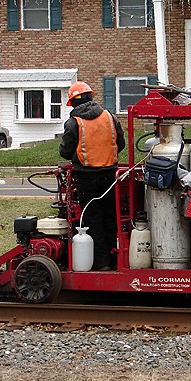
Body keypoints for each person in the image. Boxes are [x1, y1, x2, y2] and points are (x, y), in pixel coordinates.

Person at [59, 81, 126, 271]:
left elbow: (65, 151)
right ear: (91, 97)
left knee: (92, 220)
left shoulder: (74, 122)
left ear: (73, 103)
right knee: (112, 217)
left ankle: (101, 262)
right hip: (110, 176)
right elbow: (119, 144)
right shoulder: (109, 117)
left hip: (87, 178)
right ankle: (116, 260)